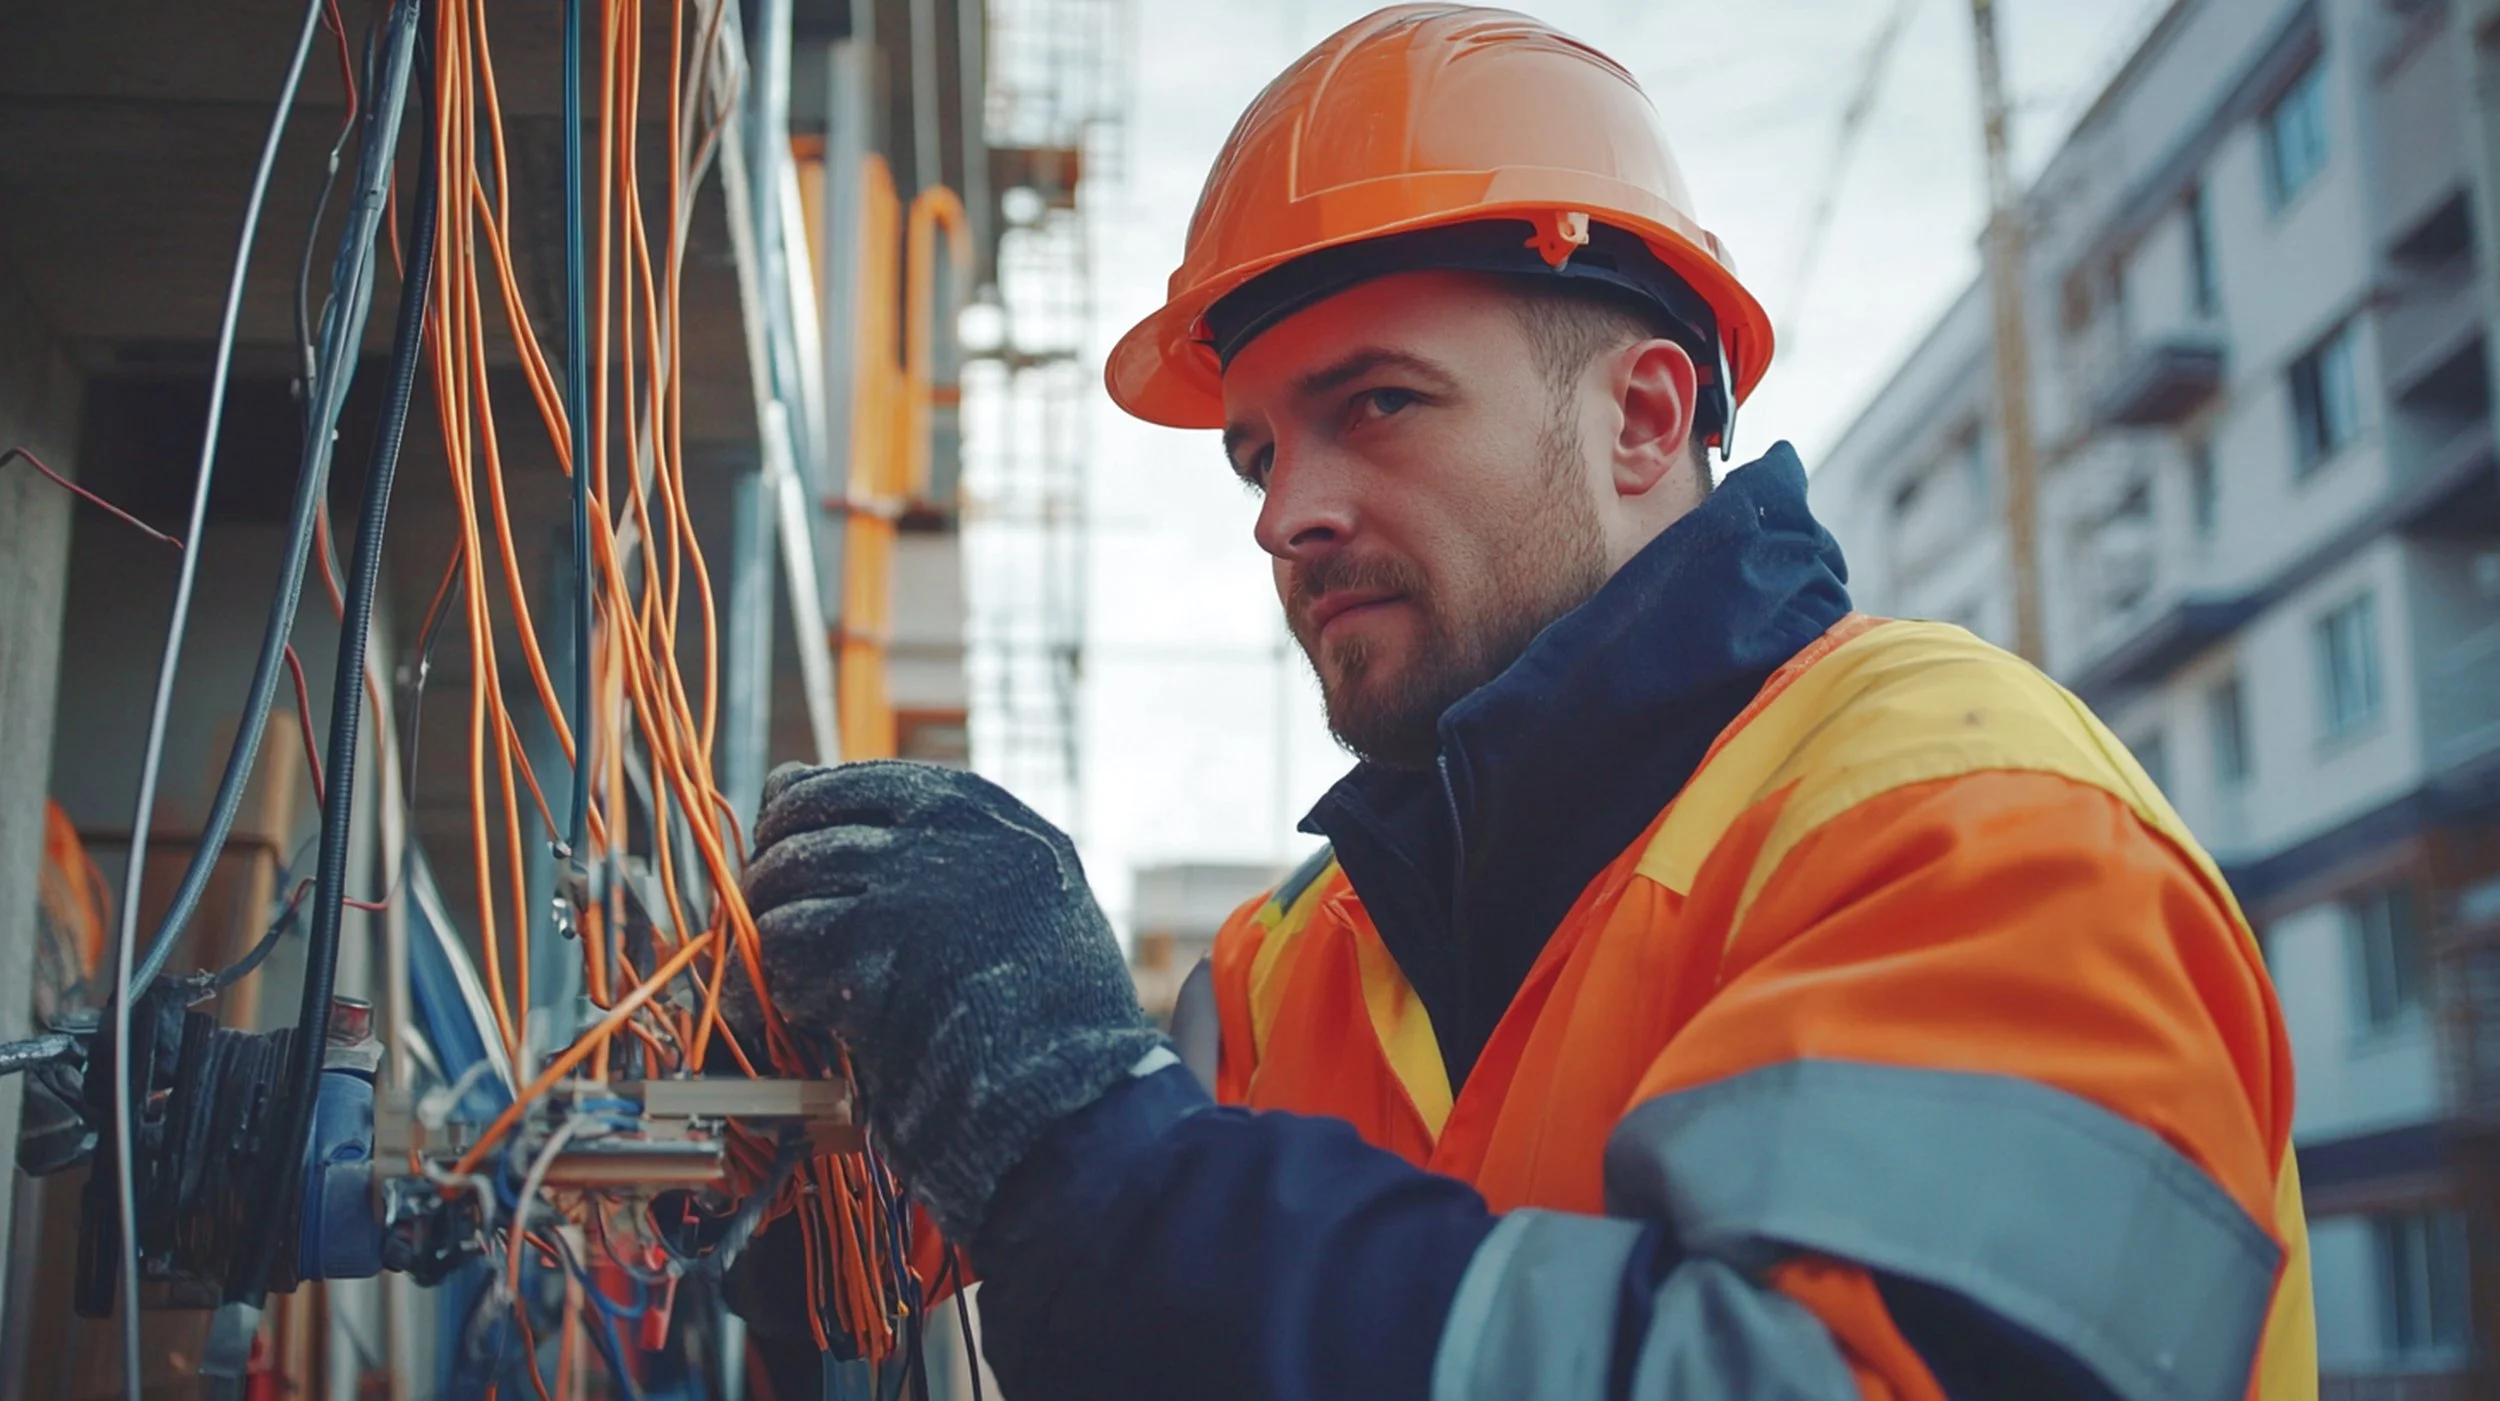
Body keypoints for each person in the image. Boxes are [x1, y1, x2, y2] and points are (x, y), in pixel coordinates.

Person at [730, 7, 2317, 1398]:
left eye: (1378, 404)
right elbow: (1148, 1249)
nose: (1286, 514)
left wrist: (1088, 1160)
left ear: (1644, 415)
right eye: (1262, 451)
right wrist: (852, 1153)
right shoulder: (1295, 968)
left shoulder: (1969, 819)